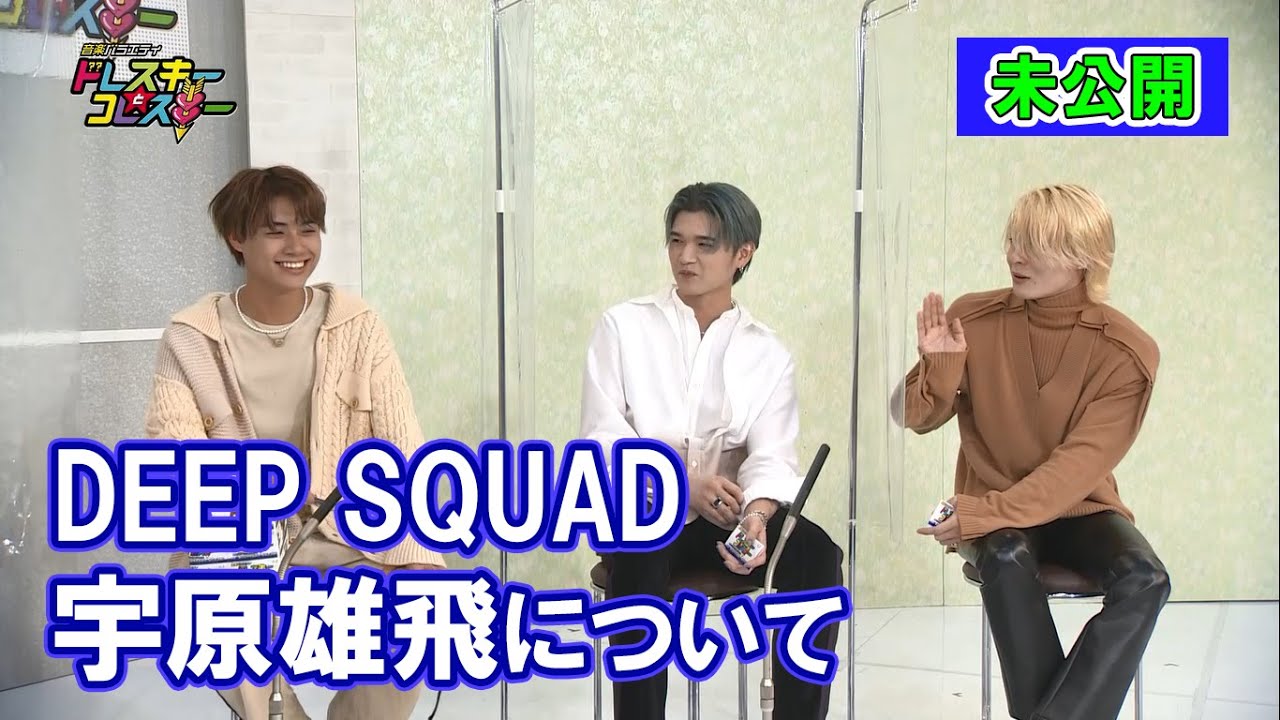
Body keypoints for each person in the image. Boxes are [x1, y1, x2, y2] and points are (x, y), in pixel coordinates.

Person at [143, 165, 444, 720]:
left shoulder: (359, 326)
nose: (296, 246)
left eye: (308, 229)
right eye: (275, 231)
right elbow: (175, 463)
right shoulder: (190, 337)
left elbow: (403, 449)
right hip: (239, 541)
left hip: (350, 532)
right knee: (220, 620)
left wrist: (405, 539)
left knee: (420, 615)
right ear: (237, 238)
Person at [904, 184, 1171, 720]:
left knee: (1147, 578)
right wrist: (942, 367)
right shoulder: (973, 318)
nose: (1015, 256)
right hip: (997, 511)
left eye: (1035, 245)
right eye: (1013, 240)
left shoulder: (1127, 352)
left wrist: (979, 514)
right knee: (1006, 554)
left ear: (1084, 257)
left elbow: (1076, 470)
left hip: (1078, 507)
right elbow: (917, 417)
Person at [580, 181, 844, 720]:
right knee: (640, 552)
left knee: (817, 556)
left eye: (704, 245)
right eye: (677, 241)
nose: (685, 257)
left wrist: (757, 518)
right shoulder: (623, 327)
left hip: (727, 517)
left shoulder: (767, 352)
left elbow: (772, 457)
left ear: (742, 254)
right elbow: (601, 441)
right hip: (644, 511)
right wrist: (680, 484)